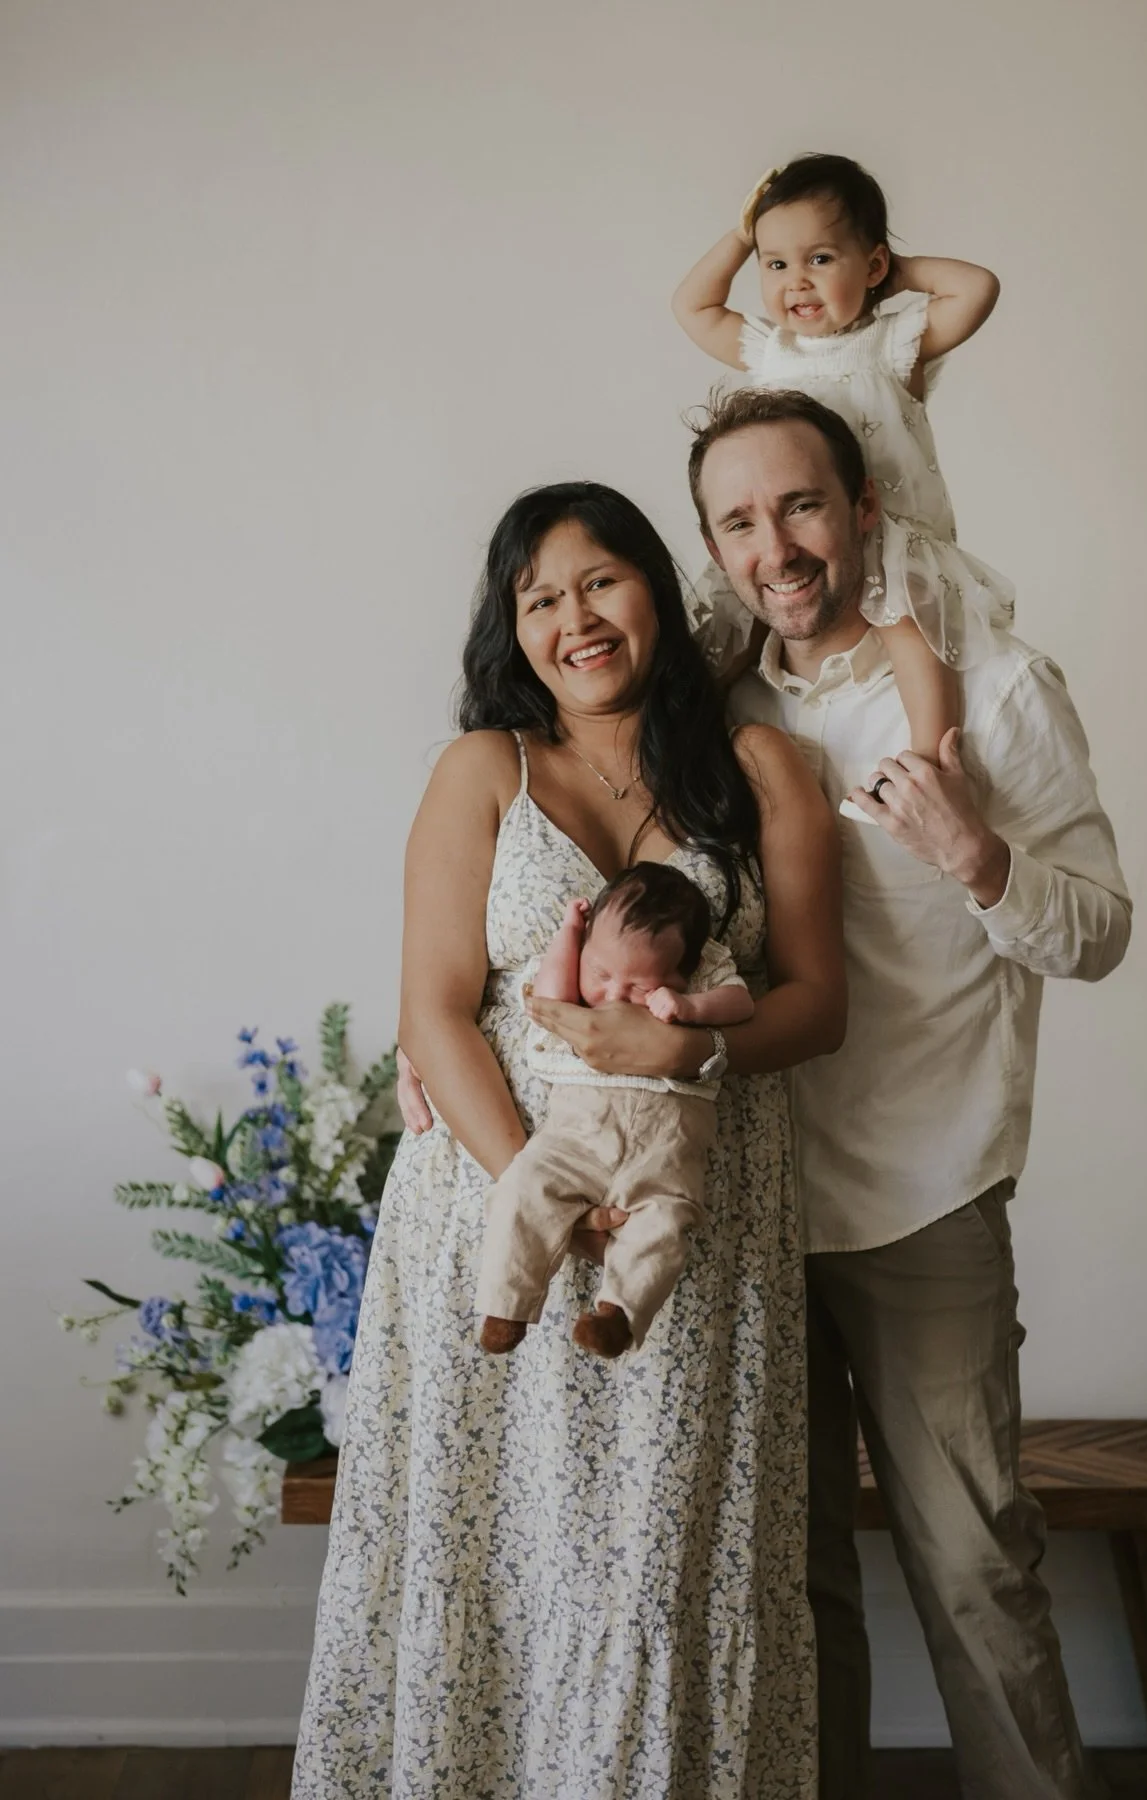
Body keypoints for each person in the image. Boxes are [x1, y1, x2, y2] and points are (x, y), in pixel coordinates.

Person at [294, 480, 845, 1798]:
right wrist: (541, 1195)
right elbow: (435, 1009)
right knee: (495, 1547)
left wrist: (691, 1047)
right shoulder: (485, 768)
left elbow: (819, 1005)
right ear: (510, 627)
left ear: (655, 586)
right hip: (498, 1219)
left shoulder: (761, 764)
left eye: (598, 580)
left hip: (694, 1224)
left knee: (663, 1551)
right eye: (537, 598)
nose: (573, 617)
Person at [687, 386, 1133, 1800]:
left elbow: (1104, 928)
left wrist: (979, 857)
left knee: (974, 1569)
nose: (778, 546)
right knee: (792, 1590)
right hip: (746, 1204)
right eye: (740, 521)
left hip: (924, 1196)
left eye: (801, 504)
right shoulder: (707, 712)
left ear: (865, 507)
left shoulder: (994, 689)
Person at [673, 152, 1014, 779]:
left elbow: (978, 287)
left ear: (874, 264)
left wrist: (891, 275)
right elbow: (692, 306)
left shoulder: (893, 342)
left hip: (886, 530)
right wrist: (743, 234)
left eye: (820, 259)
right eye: (776, 264)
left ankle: (927, 769)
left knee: (911, 637)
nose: (796, 281)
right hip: (795, 531)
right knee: (735, 634)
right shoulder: (769, 350)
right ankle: (681, 750)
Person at [475, 862, 756, 1359]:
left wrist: (691, 1010)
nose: (612, 995)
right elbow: (551, 999)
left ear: (685, 970)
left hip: (665, 1145)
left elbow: (741, 1004)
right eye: (601, 974)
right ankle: (506, 1304)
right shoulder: (572, 960)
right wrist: (569, 933)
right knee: (523, 1188)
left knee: (665, 1223)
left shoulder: (707, 971)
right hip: (577, 1137)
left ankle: (619, 1316)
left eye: (640, 986)